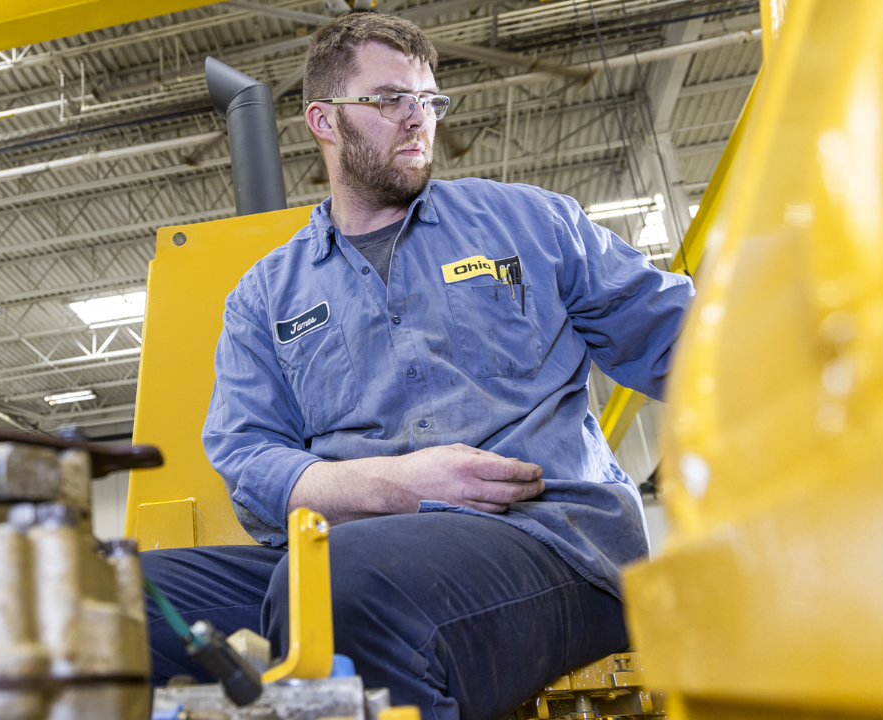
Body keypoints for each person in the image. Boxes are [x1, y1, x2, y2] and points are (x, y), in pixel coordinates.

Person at [140, 12, 694, 720]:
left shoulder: (530, 226)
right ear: (324, 120)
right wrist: (393, 486)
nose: (418, 119)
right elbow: (246, 458)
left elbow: (687, 339)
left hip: (548, 544)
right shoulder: (266, 295)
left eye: (430, 101)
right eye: (390, 100)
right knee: (116, 597)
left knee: (350, 585)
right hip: (342, 560)